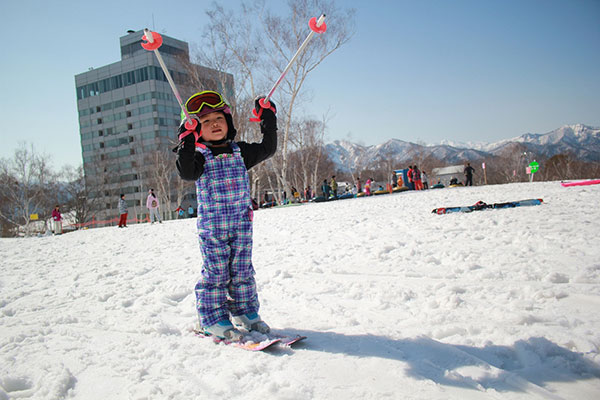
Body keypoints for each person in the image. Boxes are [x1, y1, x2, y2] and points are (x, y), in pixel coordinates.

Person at [175, 90, 277, 341]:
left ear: (228, 122)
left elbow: (268, 148)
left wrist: (268, 118)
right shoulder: (198, 157)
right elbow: (186, 172)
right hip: (214, 229)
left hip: (242, 225)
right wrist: (186, 140)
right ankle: (210, 317)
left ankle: (245, 312)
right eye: (205, 121)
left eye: (219, 118)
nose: (214, 124)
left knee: (242, 270)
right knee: (217, 272)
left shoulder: (240, 152)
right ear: (195, 129)